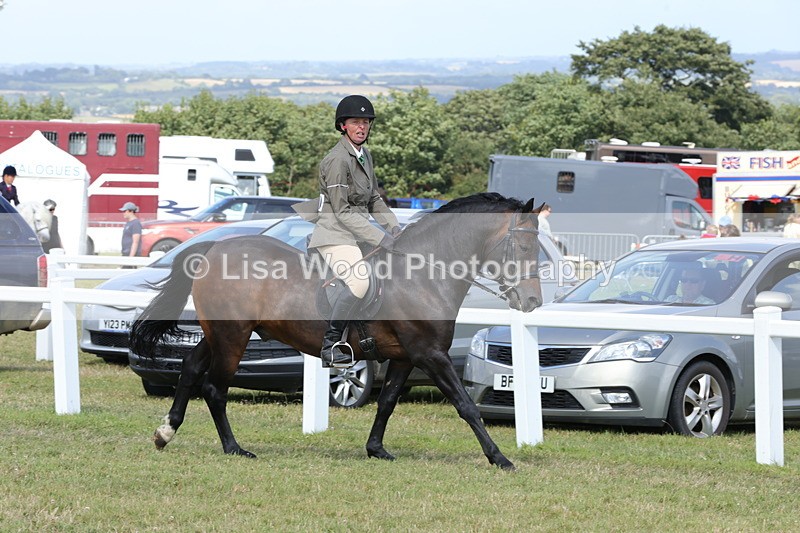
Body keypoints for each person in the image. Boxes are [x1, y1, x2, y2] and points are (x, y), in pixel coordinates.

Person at [294, 94, 400, 367]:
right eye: (356, 122)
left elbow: (374, 198)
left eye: (366, 122)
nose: (362, 127)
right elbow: (341, 212)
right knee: (359, 281)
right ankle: (331, 343)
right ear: (343, 126)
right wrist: (380, 236)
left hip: (355, 233)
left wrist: (395, 228)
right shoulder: (337, 160)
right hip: (334, 233)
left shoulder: (365, 156)